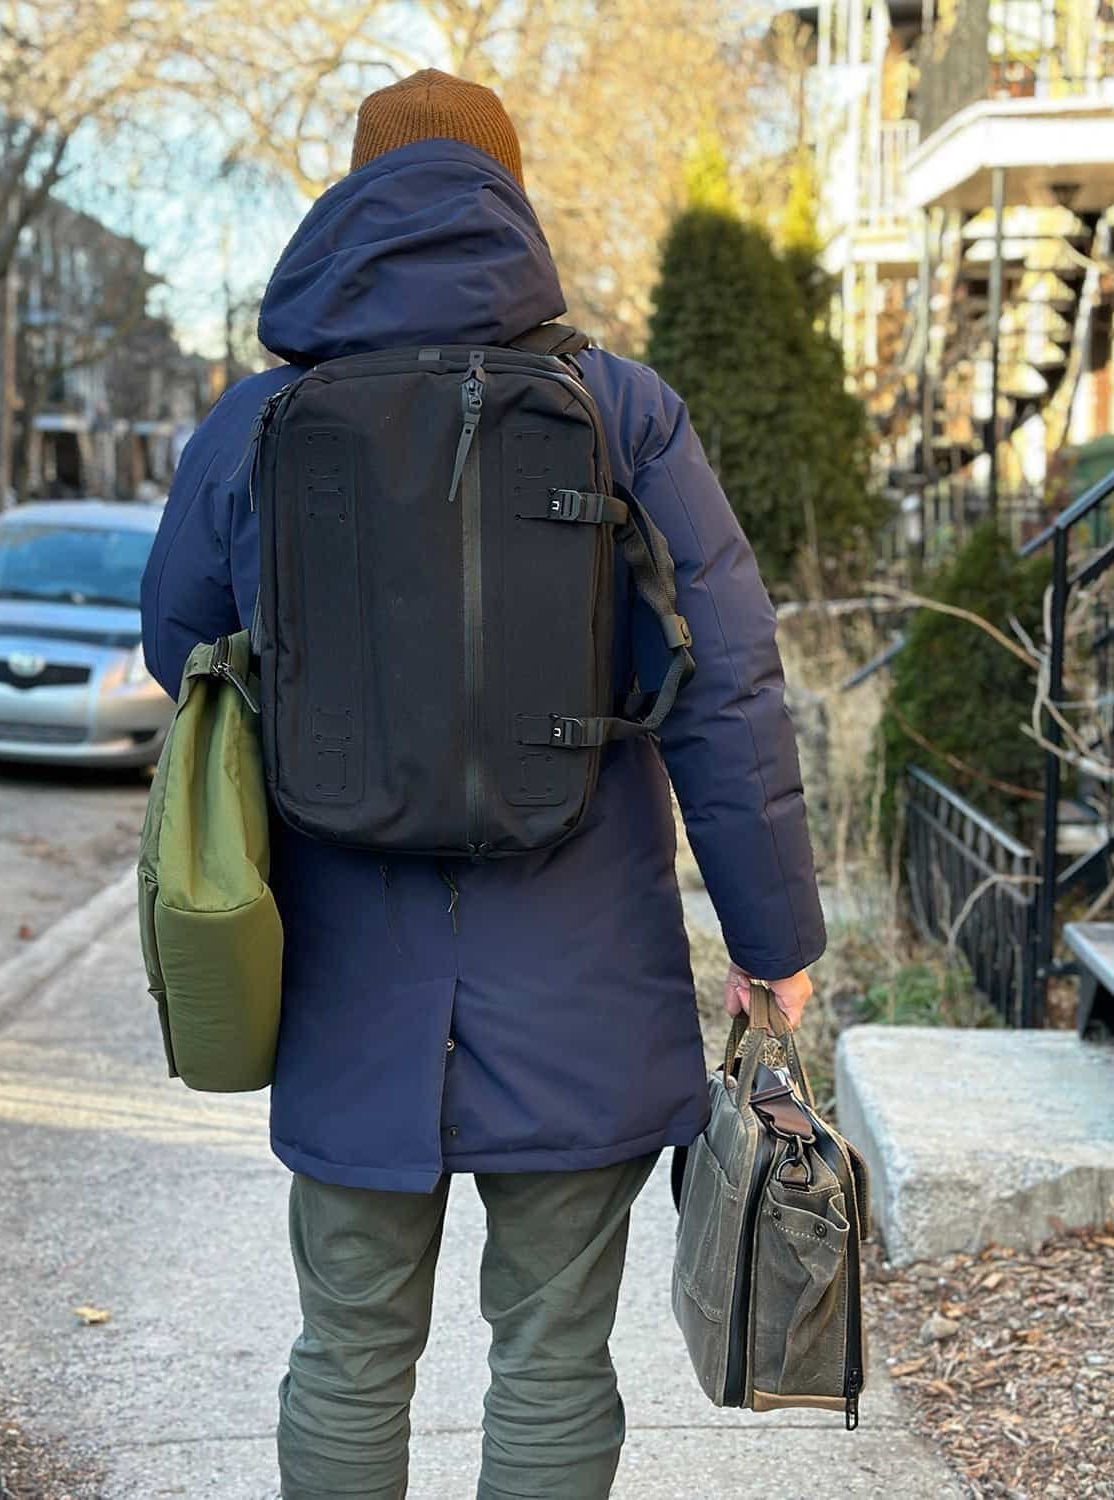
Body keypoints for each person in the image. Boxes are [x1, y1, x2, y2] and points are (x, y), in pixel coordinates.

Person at [139, 68, 826, 1500]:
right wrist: (774, 947)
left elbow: (174, 642)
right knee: (558, 1363)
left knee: (345, 1352)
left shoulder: (259, 421)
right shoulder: (620, 410)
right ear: (507, 197)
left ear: (351, 198)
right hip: (578, 979)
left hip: (348, 983)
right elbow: (730, 686)